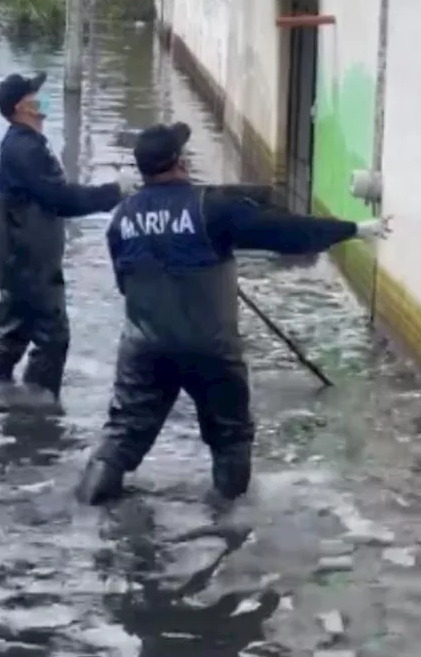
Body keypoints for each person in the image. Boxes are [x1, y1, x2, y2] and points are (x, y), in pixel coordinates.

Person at [75, 122, 392, 506]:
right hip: (209, 348)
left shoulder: (121, 218)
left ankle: (87, 510)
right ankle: (228, 528)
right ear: (180, 162)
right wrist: (354, 229)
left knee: (123, 432)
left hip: (143, 346)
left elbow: (127, 284)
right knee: (230, 437)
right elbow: (286, 233)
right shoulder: (212, 206)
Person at [0, 72, 134, 411]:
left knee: (14, 332)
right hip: (30, 263)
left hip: (17, 260)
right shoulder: (25, 148)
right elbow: (61, 199)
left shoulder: (21, 144)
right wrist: (114, 192)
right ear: (22, 106)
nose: (42, 101)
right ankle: (39, 410)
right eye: (35, 95)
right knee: (52, 336)